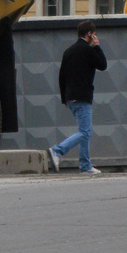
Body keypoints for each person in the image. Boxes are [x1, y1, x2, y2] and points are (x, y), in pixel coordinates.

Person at [48, 20, 107, 175]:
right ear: (89, 34)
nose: (95, 37)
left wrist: (64, 98)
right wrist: (97, 46)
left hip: (71, 97)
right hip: (82, 96)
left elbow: (62, 76)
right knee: (85, 132)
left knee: (84, 131)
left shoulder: (69, 51)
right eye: (94, 34)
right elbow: (102, 65)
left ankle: (85, 166)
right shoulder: (87, 50)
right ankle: (57, 151)